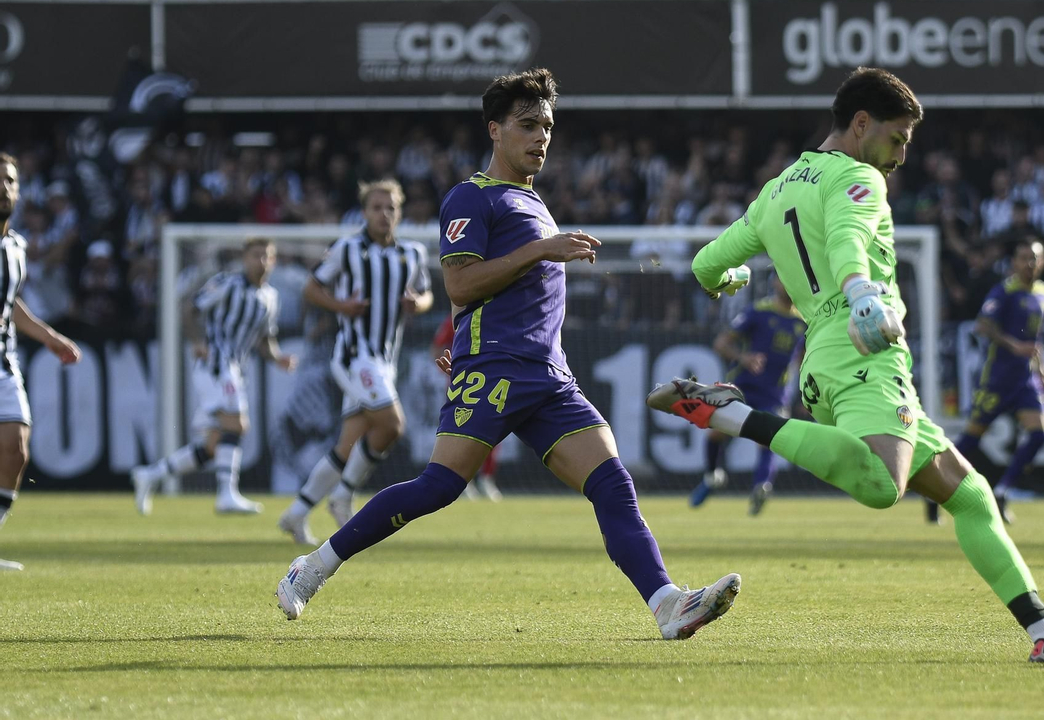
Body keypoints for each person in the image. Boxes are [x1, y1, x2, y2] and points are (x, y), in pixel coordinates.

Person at [649, 67, 1044, 664]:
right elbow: (847, 240)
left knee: (968, 494)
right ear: (862, 124)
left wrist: (732, 278)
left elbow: (707, 264)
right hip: (864, 346)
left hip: (824, 359)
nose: (903, 154)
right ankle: (728, 416)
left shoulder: (777, 188)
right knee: (885, 485)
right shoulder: (858, 177)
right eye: (898, 137)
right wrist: (862, 293)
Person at [275, 69, 740, 641]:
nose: (541, 136)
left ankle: (668, 603)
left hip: (549, 375)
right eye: (527, 125)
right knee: (438, 488)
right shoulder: (470, 197)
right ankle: (313, 567)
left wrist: (535, 255)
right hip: (494, 369)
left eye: (546, 125)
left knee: (612, 483)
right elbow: (461, 286)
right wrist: (538, 254)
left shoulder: (535, 203)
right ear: (495, 130)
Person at [278, 180, 433, 546]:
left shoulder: (411, 254)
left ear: (400, 212)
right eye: (377, 207)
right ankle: (344, 495)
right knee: (393, 425)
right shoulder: (347, 249)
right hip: (353, 357)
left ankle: (296, 513)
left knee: (348, 444)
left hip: (385, 360)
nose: (384, 214)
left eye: (391, 208)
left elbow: (425, 294)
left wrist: (418, 304)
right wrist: (342, 307)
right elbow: (312, 288)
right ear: (364, 212)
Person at [132, 239, 297, 516]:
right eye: (255, 255)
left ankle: (151, 475)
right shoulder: (227, 283)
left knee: (212, 446)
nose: (261, 261)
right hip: (216, 365)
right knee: (237, 424)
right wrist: (197, 341)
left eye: (266, 256)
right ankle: (226, 494)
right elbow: (189, 309)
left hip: (235, 369)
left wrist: (278, 357)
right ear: (244, 258)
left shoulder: (270, 297)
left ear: (274, 261)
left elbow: (265, 341)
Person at [0, 154, 83, 571]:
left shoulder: (16, 246)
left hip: (3, 361)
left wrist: (50, 337)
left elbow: (9, 301)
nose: (4, 186)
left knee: (16, 448)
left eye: (10, 180)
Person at [952, 237, 1044, 526]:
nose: (1029, 264)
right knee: (972, 439)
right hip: (998, 378)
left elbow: (1037, 336)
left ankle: (1003, 489)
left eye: (1035, 258)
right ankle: (933, 491)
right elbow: (983, 326)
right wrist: (1014, 346)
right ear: (1014, 262)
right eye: (1024, 258)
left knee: (1039, 434)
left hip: (1026, 379)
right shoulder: (1004, 291)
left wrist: (1040, 364)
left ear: (1042, 262)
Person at [689, 278, 805, 515]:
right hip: (743, 387)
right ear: (774, 283)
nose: (789, 284)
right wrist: (744, 358)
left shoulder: (802, 321)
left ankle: (761, 487)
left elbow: (804, 359)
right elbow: (721, 343)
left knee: (769, 441)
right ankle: (712, 477)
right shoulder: (758, 311)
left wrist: (806, 391)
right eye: (784, 280)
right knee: (716, 433)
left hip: (775, 394)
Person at [432, 313, 503, 501]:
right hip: (463, 387)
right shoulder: (456, 319)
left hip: (492, 383)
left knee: (493, 434)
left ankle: (486, 479)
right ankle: (463, 481)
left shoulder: (498, 316)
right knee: (461, 433)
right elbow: (437, 348)